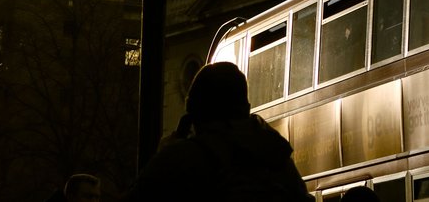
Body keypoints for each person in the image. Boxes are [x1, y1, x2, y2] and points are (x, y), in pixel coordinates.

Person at [126, 62, 312, 201]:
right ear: (245, 108)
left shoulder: (182, 158)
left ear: (194, 114)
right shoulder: (278, 159)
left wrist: (163, 154)